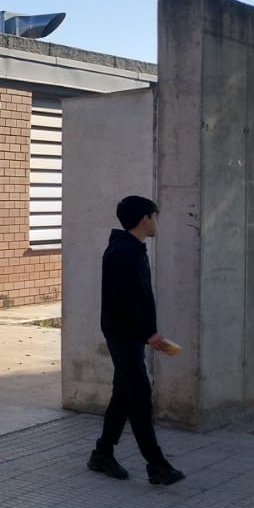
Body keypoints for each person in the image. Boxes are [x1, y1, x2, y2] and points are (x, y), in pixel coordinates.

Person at [87, 196, 186, 486]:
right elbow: (125, 301)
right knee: (140, 394)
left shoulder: (131, 248)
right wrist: (148, 333)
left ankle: (102, 453)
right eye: (154, 217)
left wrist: (146, 331)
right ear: (144, 219)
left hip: (129, 333)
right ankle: (156, 464)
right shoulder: (124, 252)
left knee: (124, 393)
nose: (156, 223)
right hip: (123, 334)